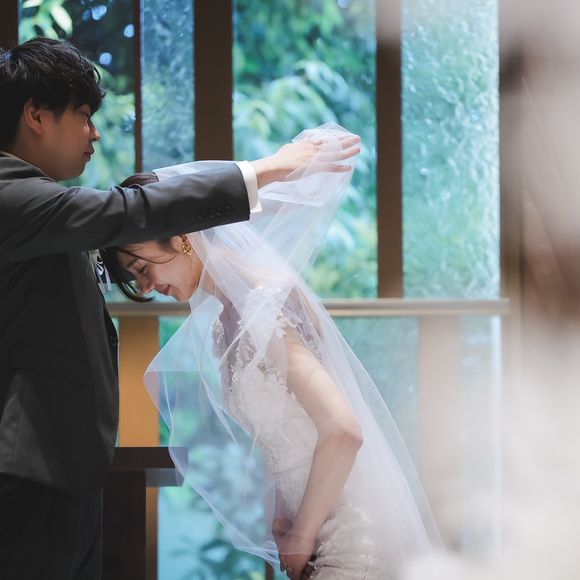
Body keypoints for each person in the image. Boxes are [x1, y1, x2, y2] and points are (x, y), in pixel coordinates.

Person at [0, 37, 359, 580]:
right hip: (29, 470)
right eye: (84, 116)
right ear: (36, 115)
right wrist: (267, 169)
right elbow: (127, 211)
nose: (95, 133)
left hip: (58, 470)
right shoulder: (12, 195)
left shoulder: (42, 207)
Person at [100, 123, 442, 580]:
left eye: (142, 268)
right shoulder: (226, 319)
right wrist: (286, 513)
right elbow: (288, 433)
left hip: (351, 528)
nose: (145, 286)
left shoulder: (261, 305)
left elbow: (342, 430)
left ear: (181, 237)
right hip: (314, 521)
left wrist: (303, 533)